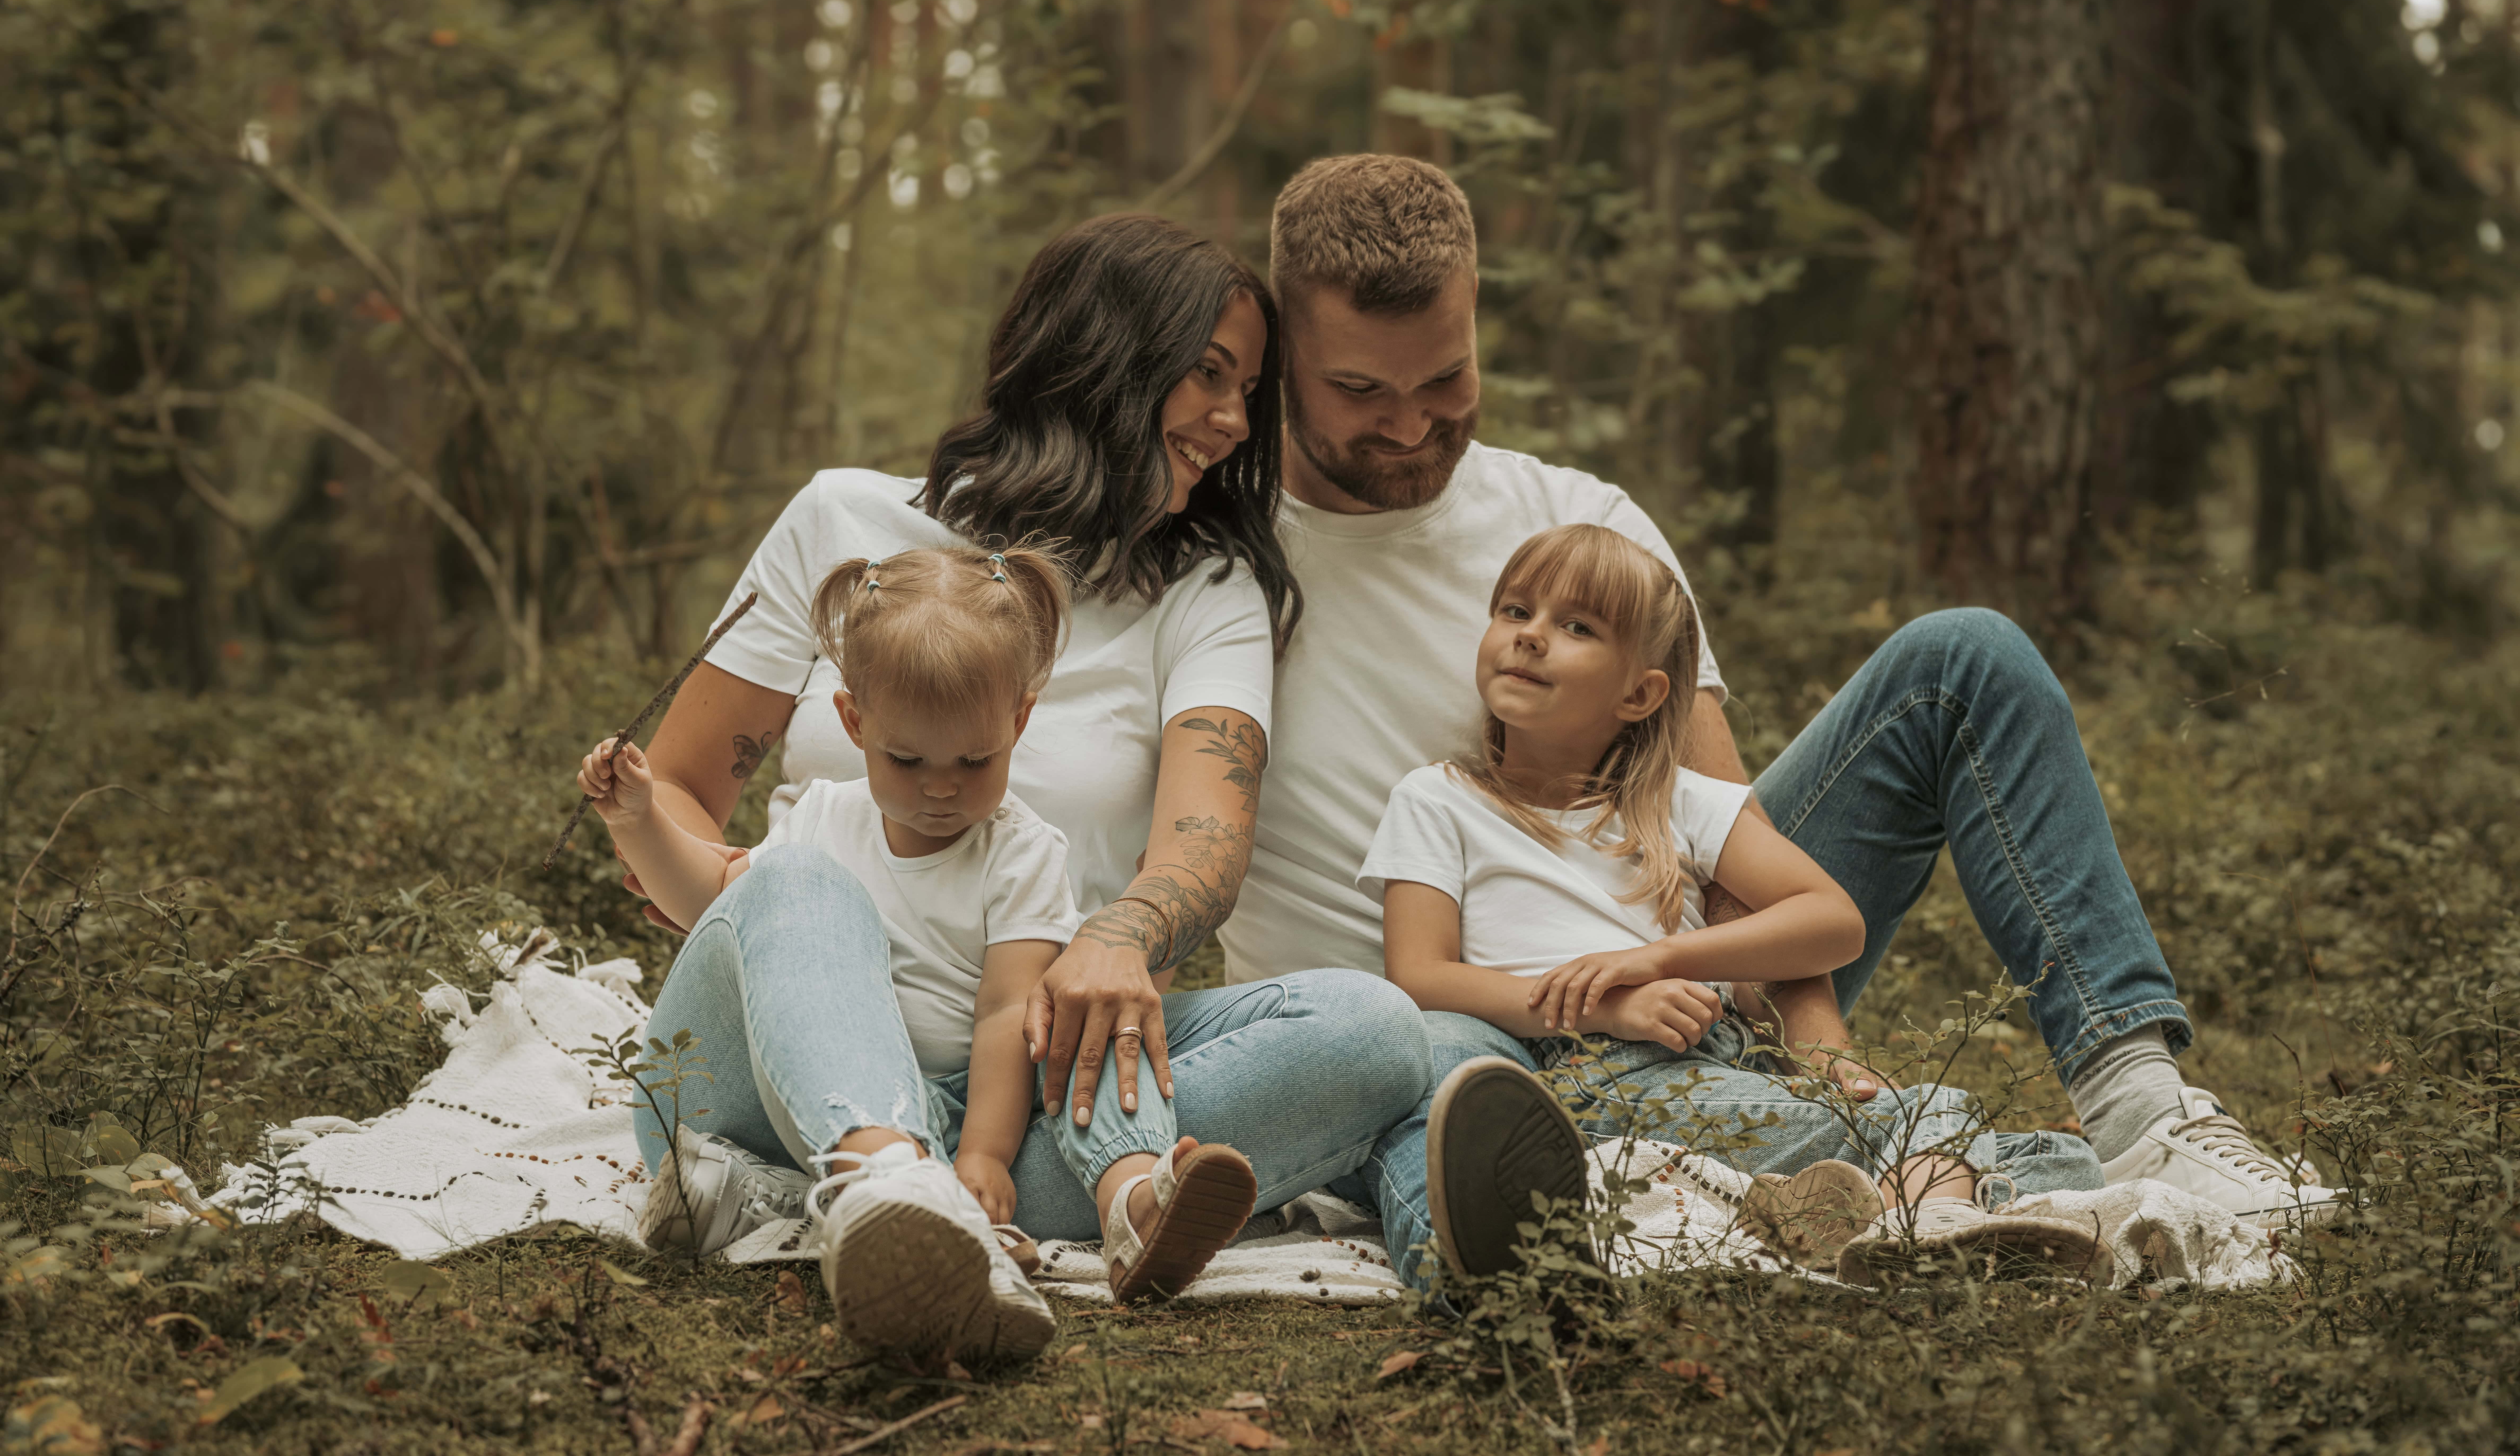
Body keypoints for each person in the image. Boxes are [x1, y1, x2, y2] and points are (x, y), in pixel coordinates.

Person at [1229, 154, 2334, 1287]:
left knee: (1965, 660)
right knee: (1464, 1077)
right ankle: (1962, 1180)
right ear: (1282, 364)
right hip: (1449, 1033)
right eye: (1362, 392)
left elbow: (1719, 838)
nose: (1412, 426)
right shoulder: (1221, 561)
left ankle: (2142, 1114)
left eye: (1447, 380)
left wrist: (1814, 1045)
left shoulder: (1579, 525)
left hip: (1678, 989)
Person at [624, 213, 1432, 1353]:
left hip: (1023, 1087)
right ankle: (874, 1177)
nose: (1234, 422)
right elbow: (681, 792)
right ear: (1103, 360)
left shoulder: (1204, 590)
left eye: (1248, 390)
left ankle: (955, 1203)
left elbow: (1206, 838)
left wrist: (1118, 937)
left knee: (1373, 1029)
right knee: (798, 883)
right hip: (771, 1067)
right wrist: (741, 900)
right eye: (1206, 375)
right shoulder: (842, 524)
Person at [1368, 523, 2102, 1285]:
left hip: (1716, 1070)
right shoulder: (1441, 799)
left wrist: (1661, 957)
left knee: (2064, 1157)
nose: (1530, 638)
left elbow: (1832, 922)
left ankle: (1830, 1211)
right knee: (1935, 1116)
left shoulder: (1682, 804)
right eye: (1515, 612)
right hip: (1587, 1072)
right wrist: (1608, 1007)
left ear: (1640, 693)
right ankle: (1916, 1236)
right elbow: (1421, 978)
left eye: (1576, 627)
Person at [581, 545, 1266, 1358]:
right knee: (793, 881)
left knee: (1091, 1023)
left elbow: (1009, 1009)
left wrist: (982, 1150)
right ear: (854, 722)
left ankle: (1118, 1201)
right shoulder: (821, 821)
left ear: (1018, 719)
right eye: (907, 760)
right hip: (738, 1106)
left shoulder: (1022, 854)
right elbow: (707, 898)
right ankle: (897, 1183)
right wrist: (639, 819)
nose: (941, 788)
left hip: (937, 1113)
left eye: (975, 762)